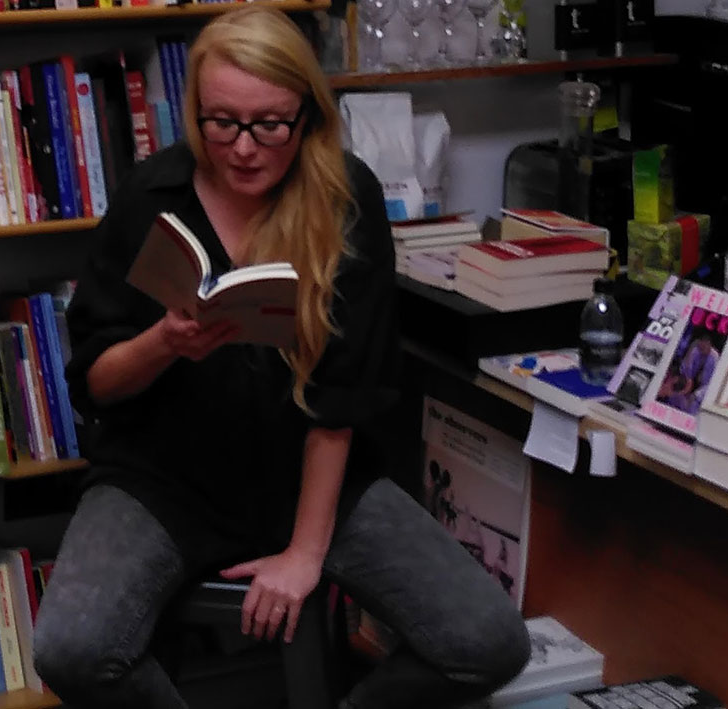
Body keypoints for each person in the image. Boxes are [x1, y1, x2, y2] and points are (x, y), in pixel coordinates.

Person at [30, 7, 530, 709]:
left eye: (270, 123)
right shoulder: (152, 195)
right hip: (163, 478)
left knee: (488, 642)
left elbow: (342, 399)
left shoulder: (344, 197)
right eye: (221, 121)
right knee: (70, 649)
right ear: (196, 112)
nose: (242, 147)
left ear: (306, 116)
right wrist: (162, 343)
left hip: (318, 475)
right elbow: (96, 384)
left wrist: (303, 553)